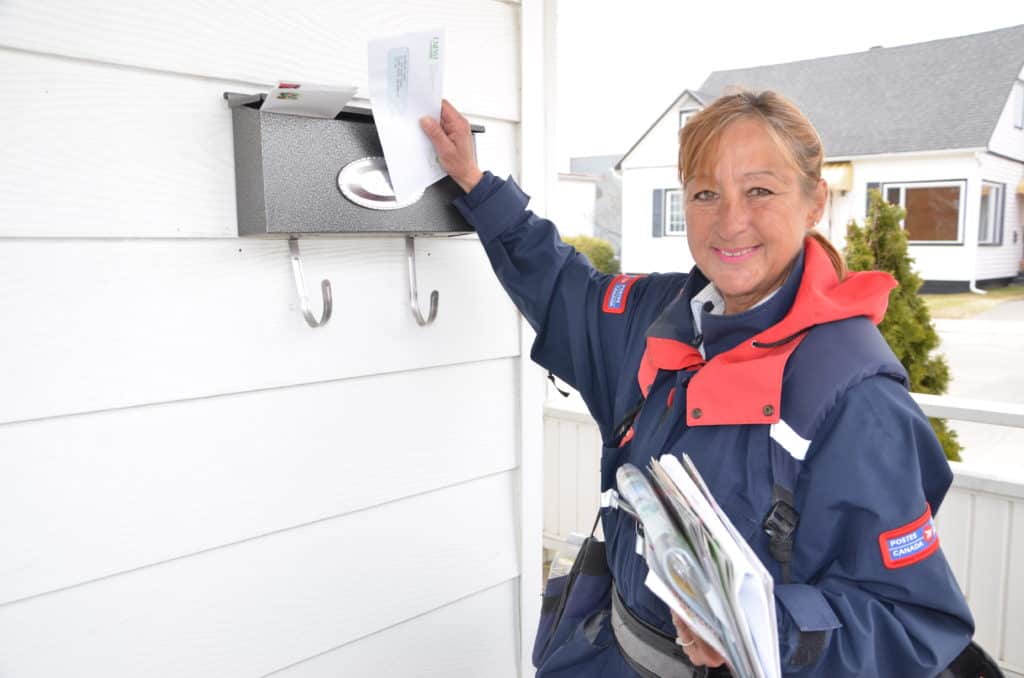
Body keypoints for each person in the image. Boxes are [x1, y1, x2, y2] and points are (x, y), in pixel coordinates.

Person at [420, 90, 975, 677]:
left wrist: (764, 631)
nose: (731, 220)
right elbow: (565, 291)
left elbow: (913, 622)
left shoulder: (855, 397)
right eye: (706, 193)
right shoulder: (659, 316)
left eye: (760, 190)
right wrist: (476, 184)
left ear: (814, 201)